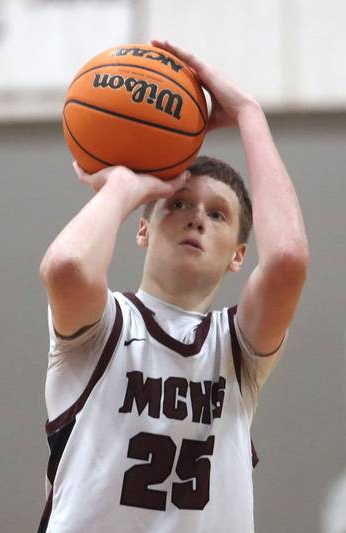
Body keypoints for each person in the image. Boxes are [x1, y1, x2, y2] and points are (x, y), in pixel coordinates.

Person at [37, 39, 308, 533]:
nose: (196, 219)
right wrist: (123, 186)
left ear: (238, 256)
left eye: (217, 214)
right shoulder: (105, 328)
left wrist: (249, 113)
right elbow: (66, 268)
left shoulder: (237, 352)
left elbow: (288, 260)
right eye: (178, 204)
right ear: (141, 228)